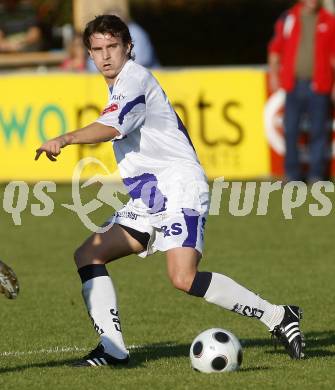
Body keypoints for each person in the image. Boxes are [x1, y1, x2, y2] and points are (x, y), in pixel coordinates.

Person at [35, 15, 304, 367]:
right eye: (97, 49)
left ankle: (277, 316)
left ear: (128, 48)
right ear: (89, 53)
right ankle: (112, 349)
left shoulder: (134, 79)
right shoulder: (117, 84)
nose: (105, 56)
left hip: (179, 188)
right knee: (88, 255)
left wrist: (66, 138)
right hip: (150, 196)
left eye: (112, 47)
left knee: (183, 277)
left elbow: (109, 127)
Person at [268, 0, 335, 183]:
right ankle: (292, 175)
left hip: (320, 84)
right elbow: (276, 48)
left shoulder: (329, 20)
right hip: (293, 84)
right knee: (290, 129)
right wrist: (274, 75)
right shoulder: (289, 18)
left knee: (319, 131)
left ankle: (317, 175)